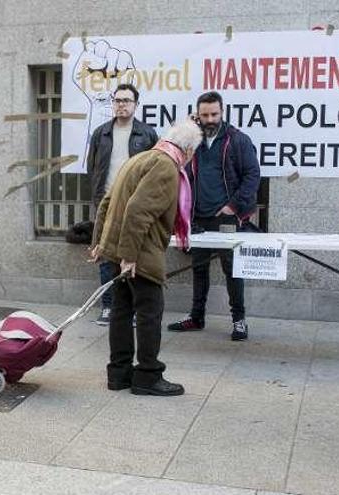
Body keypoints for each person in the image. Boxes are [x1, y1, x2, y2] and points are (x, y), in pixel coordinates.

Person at [90, 118, 202, 396]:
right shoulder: (165, 166)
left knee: (121, 311)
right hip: (139, 253)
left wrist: (100, 244)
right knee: (150, 312)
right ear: (188, 151)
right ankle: (148, 376)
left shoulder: (140, 158)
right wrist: (130, 256)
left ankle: (119, 373)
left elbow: (107, 202)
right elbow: (138, 211)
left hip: (119, 248)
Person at [167, 91, 261, 341]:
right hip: (198, 217)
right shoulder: (192, 140)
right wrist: (187, 127)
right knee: (199, 269)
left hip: (226, 219)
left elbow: (253, 176)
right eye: (204, 115)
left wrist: (233, 206)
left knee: (233, 270)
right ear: (198, 115)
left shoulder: (237, 140)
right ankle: (196, 317)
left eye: (214, 114)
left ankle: (239, 320)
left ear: (222, 112)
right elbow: (170, 153)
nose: (210, 119)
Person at [86, 84, 158, 326]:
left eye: (126, 100)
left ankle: (135, 309)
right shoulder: (100, 133)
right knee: (107, 256)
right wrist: (98, 200)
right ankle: (108, 306)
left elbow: (154, 172)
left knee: (134, 256)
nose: (121, 105)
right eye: (117, 100)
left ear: (136, 104)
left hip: (135, 205)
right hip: (107, 203)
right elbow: (92, 168)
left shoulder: (147, 134)